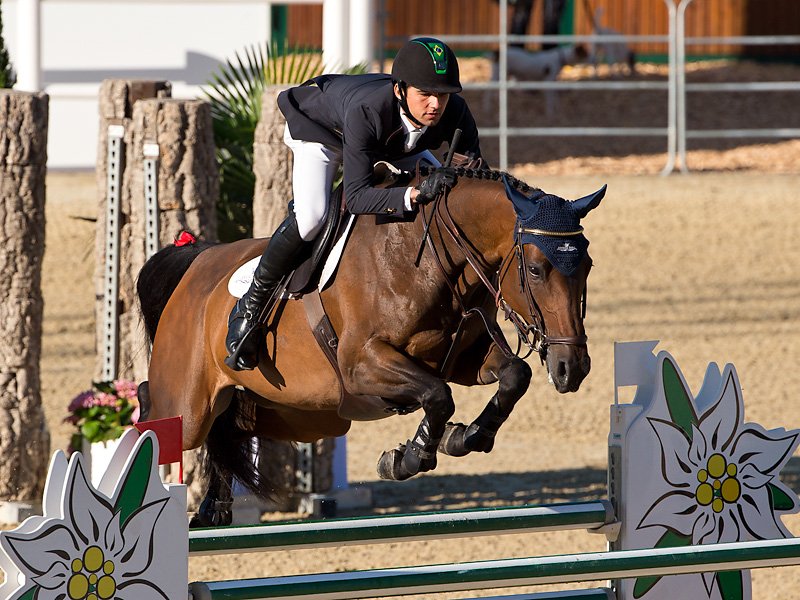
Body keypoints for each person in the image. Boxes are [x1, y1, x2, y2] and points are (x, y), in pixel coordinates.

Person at [225, 37, 484, 371]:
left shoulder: (454, 110)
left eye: (443, 95)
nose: (435, 103)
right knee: (311, 217)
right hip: (321, 132)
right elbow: (358, 196)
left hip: (390, 141)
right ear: (400, 90)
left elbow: (476, 176)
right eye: (425, 94)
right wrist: (415, 194)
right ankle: (250, 305)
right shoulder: (368, 110)